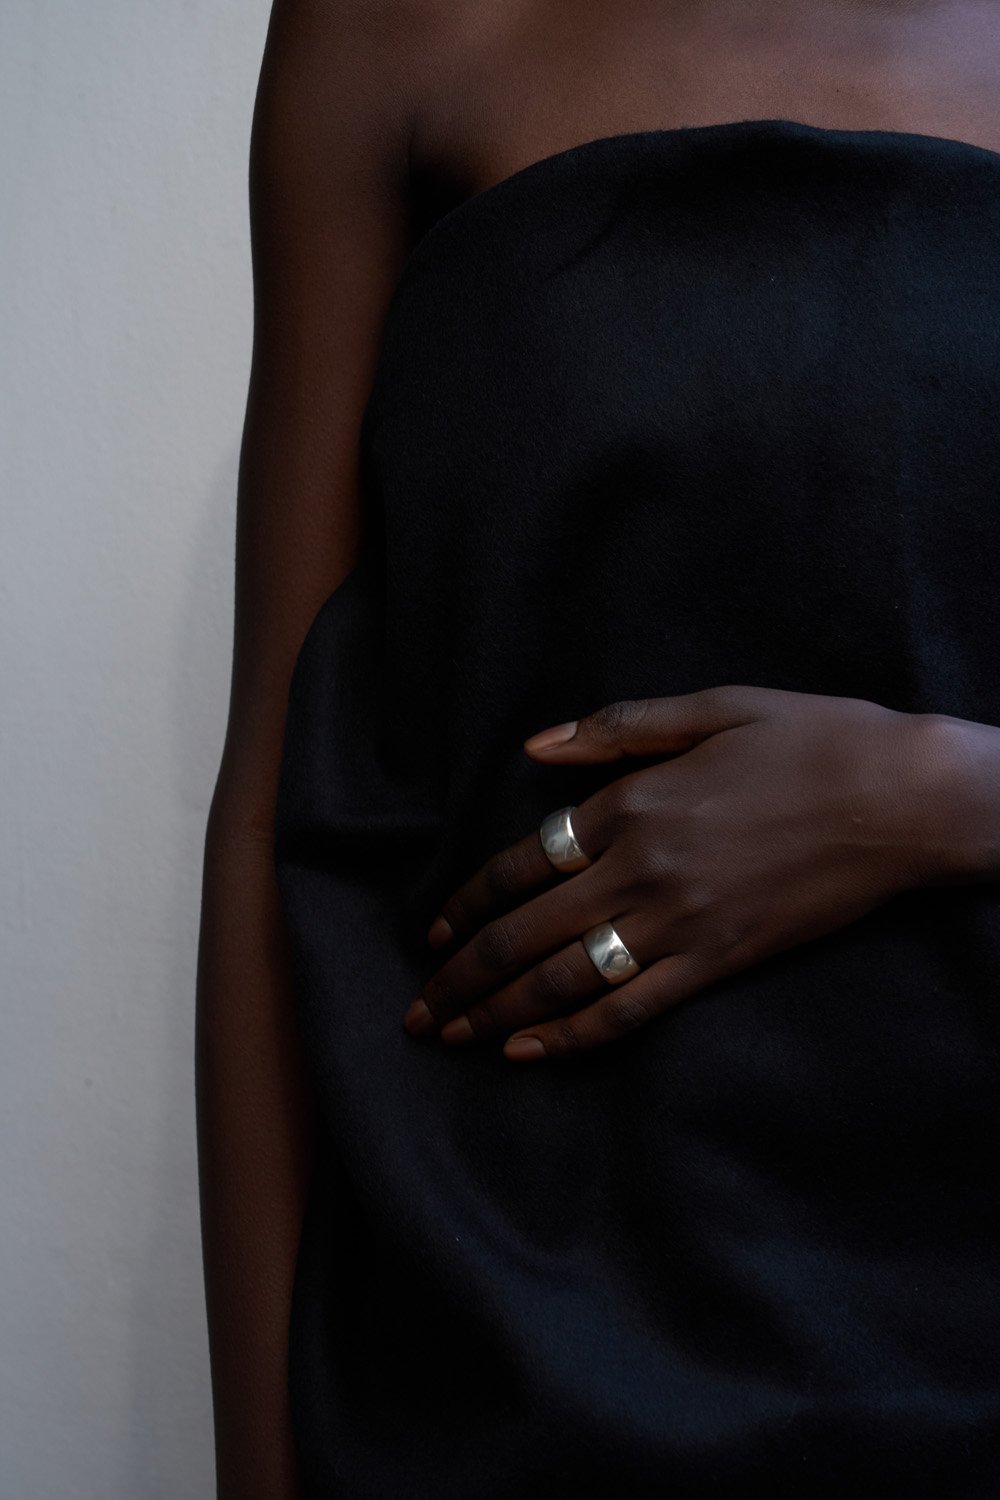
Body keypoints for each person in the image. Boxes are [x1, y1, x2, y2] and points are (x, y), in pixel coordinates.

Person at [195, 1, 1000, 1495]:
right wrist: (258, 1463)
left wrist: (941, 792)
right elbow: (276, 796)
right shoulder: (393, 30)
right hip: (504, 1338)